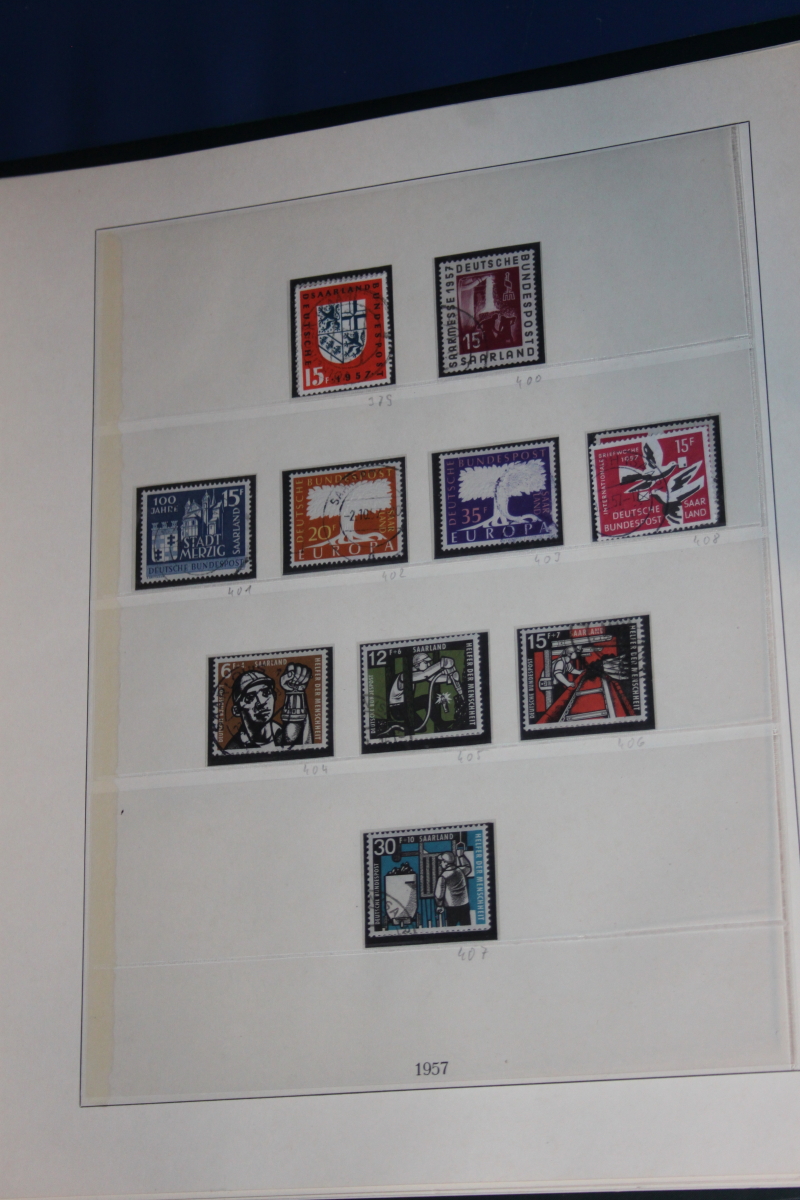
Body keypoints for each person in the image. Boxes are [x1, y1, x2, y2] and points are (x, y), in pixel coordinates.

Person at [224, 663, 312, 750]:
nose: (261, 702)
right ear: (236, 710)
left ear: (274, 696)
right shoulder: (232, 749)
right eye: (250, 698)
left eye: (266, 693)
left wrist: (295, 691)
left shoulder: (285, 736)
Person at [434, 844, 473, 926]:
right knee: (466, 927)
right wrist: (461, 856)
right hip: (465, 905)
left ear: (445, 862)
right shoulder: (461, 871)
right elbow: (468, 866)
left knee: (451, 927)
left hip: (451, 907)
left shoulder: (443, 877)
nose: (440, 864)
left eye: (441, 862)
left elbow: (439, 895)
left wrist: (439, 905)